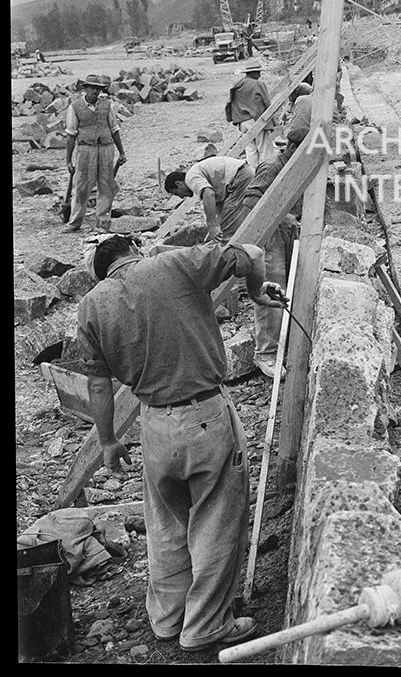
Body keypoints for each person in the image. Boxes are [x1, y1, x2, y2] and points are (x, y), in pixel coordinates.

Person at [80, 233, 286, 650]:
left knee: (168, 527)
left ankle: (169, 619)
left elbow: (98, 387)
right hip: (204, 413)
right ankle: (206, 626)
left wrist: (107, 442)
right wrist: (255, 293)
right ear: (132, 251)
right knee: (216, 521)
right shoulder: (173, 264)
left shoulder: (91, 306)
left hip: (152, 424)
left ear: (103, 272)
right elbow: (253, 253)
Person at [237, 138, 300, 379]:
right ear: (293, 147)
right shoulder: (272, 167)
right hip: (270, 234)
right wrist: (281, 218)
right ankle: (266, 353)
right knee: (271, 289)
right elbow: (250, 201)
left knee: (286, 289)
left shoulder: (294, 165)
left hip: (286, 231)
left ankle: (284, 345)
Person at [64, 74, 127, 233]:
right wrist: (68, 161)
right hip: (86, 150)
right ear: (84, 89)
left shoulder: (107, 105)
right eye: (92, 88)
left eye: (98, 89)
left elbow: (114, 129)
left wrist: (121, 152)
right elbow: (71, 135)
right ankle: (74, 222)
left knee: (107, 186)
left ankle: (103, 224)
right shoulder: (75, 107)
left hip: (106, 148)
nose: (95, 92)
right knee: (82, 186)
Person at [164, 155, 252, 242]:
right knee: (230, 220)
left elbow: (209, 194)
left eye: (177, 193)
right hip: (244, 174)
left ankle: (238, 248)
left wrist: (211, 225)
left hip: (241, 177)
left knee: (232, 221)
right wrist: (218, 226)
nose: (181, 197)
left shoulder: (190, 178)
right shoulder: (200, 176)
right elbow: (219, 207)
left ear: (178, 183)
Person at [227, 59, 273, 168]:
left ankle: (253, 173)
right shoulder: (258, 84)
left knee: (250, 149)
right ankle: (268, 171)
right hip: (255, 120)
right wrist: (273, 121)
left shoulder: (238, 84)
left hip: (242, 122)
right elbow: (267, 102)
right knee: (264, 147)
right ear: (253, 73)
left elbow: (231, 103)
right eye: (258, 72)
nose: (260, 74)